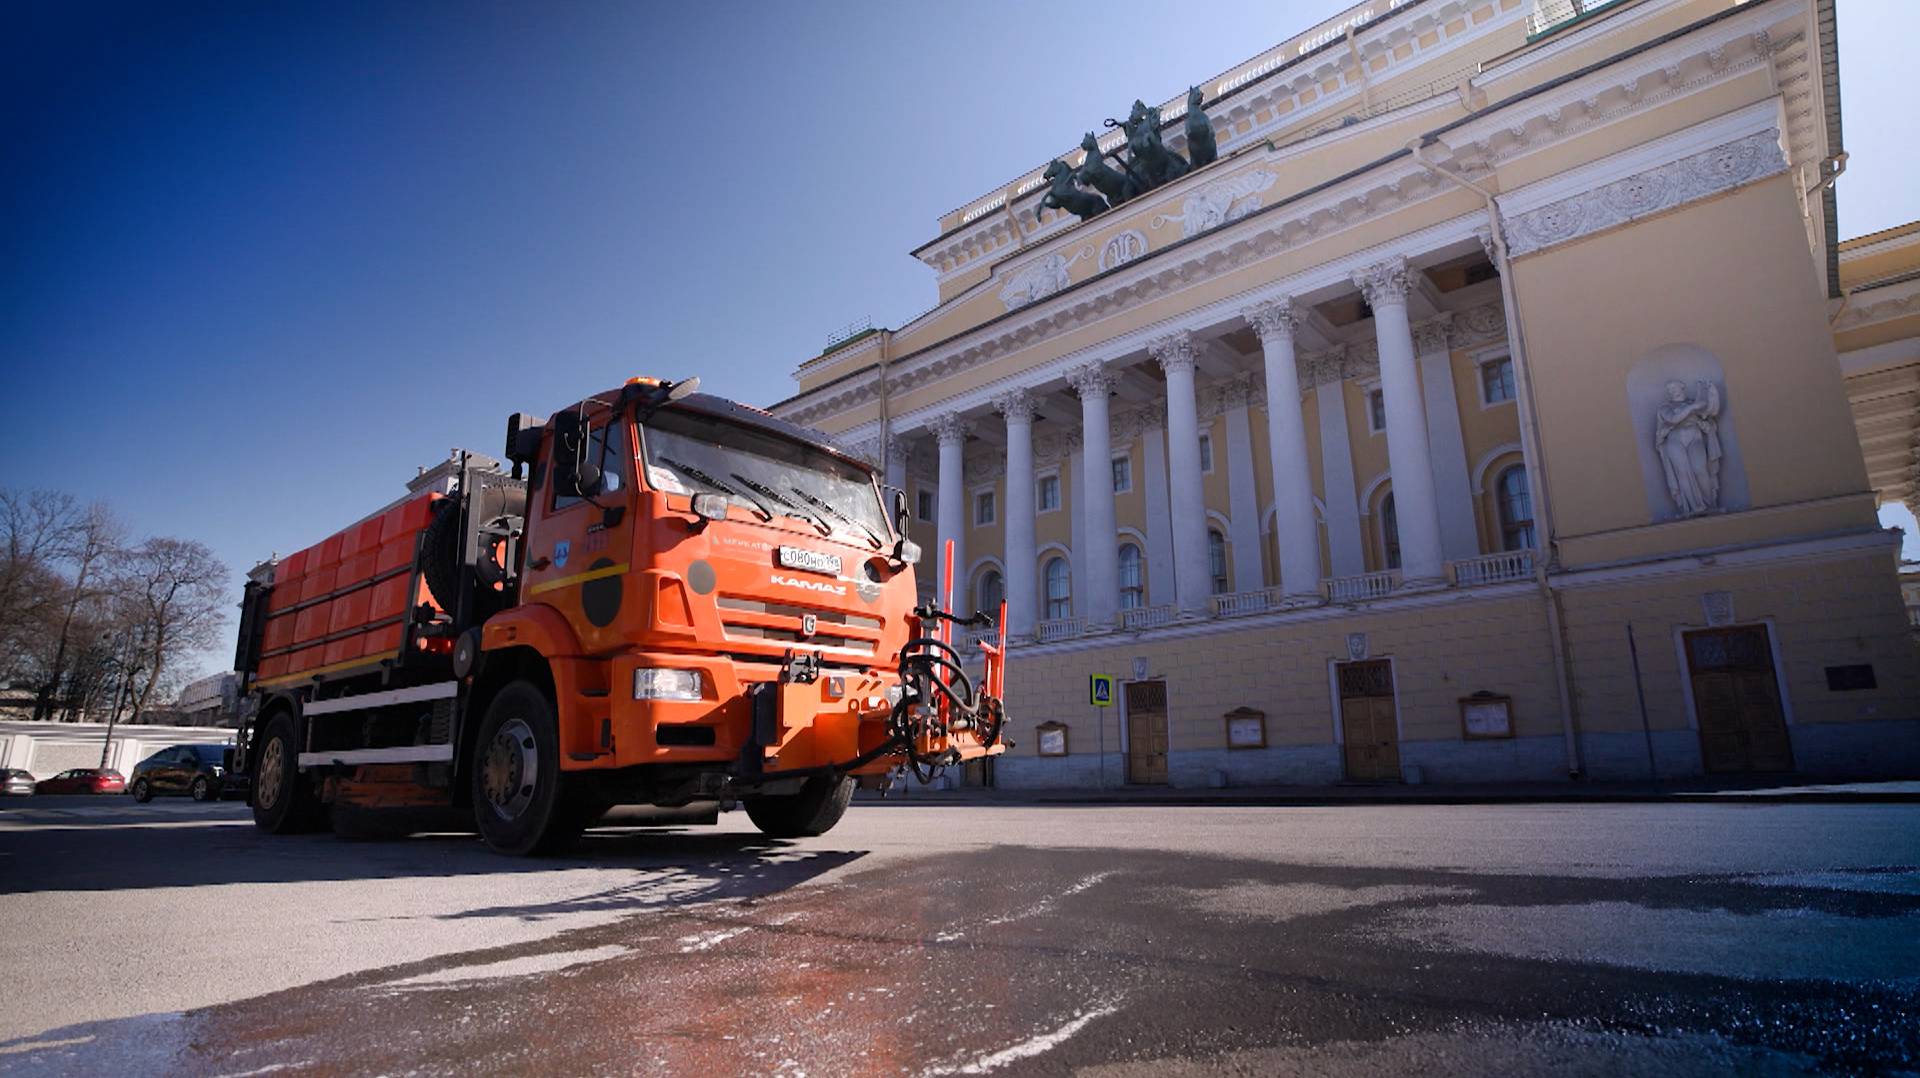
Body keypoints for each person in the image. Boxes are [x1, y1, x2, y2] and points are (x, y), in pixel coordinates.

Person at [1655, 379, 1722, 516]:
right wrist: (1693, 408)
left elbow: (1710, 413)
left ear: (1682, 387)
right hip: (1674, 440)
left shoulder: (1695, 403)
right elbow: (1673, 419)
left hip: (1694, 437)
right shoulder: (1665, 407)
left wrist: (1712, 394)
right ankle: (1692, 508)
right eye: (1669, 389)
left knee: (1700, 469)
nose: (1671, 390)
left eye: (1674, 387)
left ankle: (1710, 504)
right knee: (1683, 473)